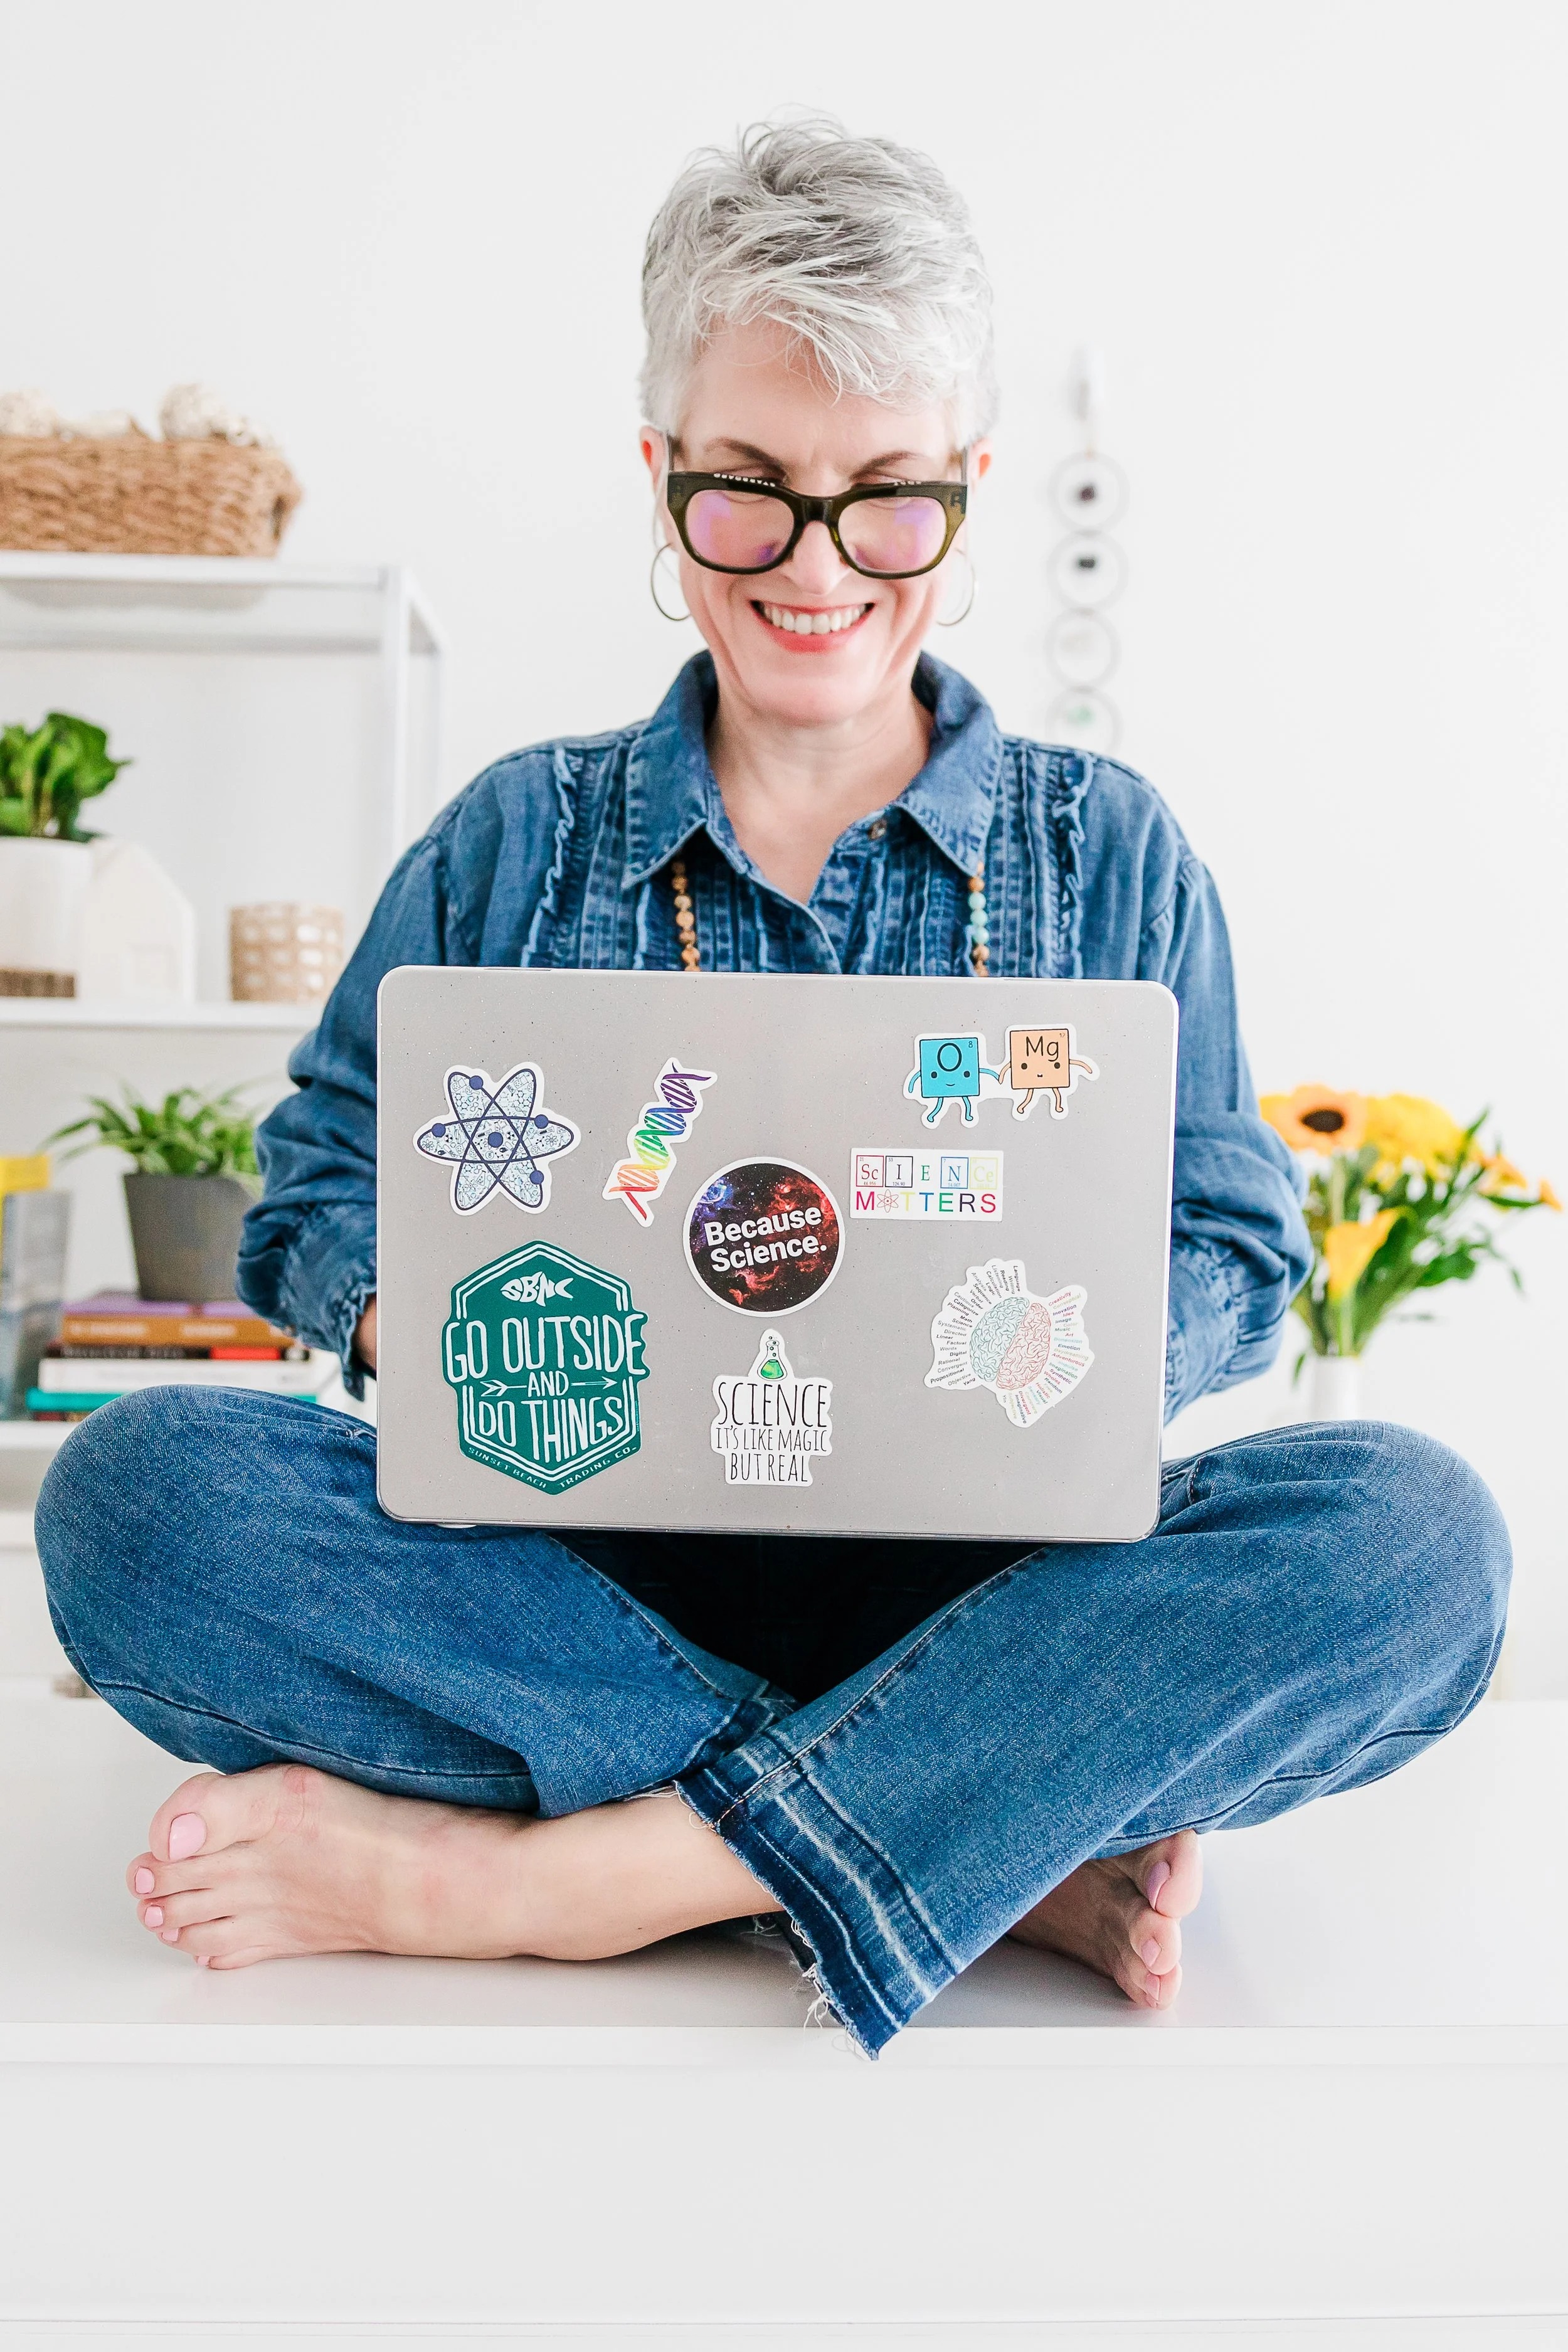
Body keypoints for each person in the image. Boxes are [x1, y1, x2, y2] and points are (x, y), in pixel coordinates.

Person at [35, 122, 1508, 2057]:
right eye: (749, 497)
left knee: (1417, 1546)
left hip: (1006, 1606)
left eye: (886, 502)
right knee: (139, 1501)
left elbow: (1239, 1238)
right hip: (568, 1590)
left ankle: (579, 1880)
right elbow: (316, 1176)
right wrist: (411, 1314)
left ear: (965, 493)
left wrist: (1070, 1349)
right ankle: (964, 1848)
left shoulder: (1111, 852)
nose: (818, 571)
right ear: (661, 479)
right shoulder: (517, 841)